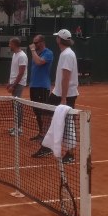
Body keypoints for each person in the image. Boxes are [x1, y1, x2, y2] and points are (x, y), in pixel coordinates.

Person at [32, 29, 79, 163]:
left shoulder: (67, 55)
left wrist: (63, 98)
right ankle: (47, 146)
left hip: (66, 95)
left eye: (57, 37)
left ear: (59, 40)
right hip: (57, 93)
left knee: (68, 123)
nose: (56, 39)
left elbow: (66, 77)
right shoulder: (65, 53)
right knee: (46, 115)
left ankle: (70, 154)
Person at [27, 34, 54, 142]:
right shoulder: (36, 53)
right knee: (37, 111)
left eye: (36, 43)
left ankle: (46, 135)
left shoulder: (48, 53)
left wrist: (33, 50)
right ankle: (41, 133)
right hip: (33, 86)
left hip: (42, 86)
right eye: (33, 42)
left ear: (42, 42)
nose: (34, 44)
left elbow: (39, 62)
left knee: (43, 112)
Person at [7, 37, 28, 136]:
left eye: (10, 44)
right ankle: (16, 126)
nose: (9, 45)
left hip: (19, 83)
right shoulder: (15, 54)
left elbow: (21, 73)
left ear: (14, 44)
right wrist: (9, 82)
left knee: (17, 105)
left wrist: (14, 85)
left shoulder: (22, 56)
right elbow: (14, 71)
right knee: (14, 105)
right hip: (14, 83)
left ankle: (19, 129)